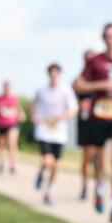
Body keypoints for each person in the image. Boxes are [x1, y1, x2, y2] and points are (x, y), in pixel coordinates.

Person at [74, 24, 112, 223]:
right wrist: (100, 85)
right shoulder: (95, 61)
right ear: (103, 38)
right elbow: (78, 84)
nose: (111, 39)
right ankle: (100, 187)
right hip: (98, 115)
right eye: (108, 36)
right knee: (101, 163)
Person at [32, 63, 79, 206]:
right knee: (48, 161)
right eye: (51, 73)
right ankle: (41, 171)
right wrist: (35, 116)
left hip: (59, 132)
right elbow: (32, 104)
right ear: (48, 75)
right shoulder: (41, 90)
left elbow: (73, 109)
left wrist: (61, 116)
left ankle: (48, 192)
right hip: (44, 130)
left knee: (56, 166)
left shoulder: (66, 90)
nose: (53, 76)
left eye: (56, 73)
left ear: (59, 74)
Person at [75, 49, 98, 201]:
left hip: (101, 121)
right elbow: (70, 102)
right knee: (87, 156)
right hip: (86, 121)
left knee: (99, 158)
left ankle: (98, 187)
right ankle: (84, 185)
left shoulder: (101, 79)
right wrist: (81, 104)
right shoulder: (79, 81)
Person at [0, 80, 25, 175]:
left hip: (13, 124)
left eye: (8, 87)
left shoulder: (15, 98)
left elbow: (19, 108)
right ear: (3, 87)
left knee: (12, 144)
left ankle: (12, 165)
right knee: (1, 146)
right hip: (2, 124)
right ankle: (1, 163)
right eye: (5, 87)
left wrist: (21, 114)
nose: (7, 88)